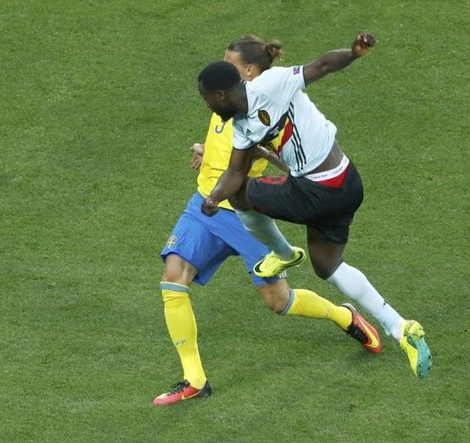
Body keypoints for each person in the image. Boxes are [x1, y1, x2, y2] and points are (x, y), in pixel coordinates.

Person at [153, 35, 382, 407]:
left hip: (244, 215)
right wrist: (205, 149)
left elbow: (277, 161)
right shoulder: (223, 102)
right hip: (205, 206)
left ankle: (342, 316)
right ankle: (195, 379)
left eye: (230, 63)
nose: (224, 68)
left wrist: (269, 159)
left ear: (246, 71)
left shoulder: (261, 107)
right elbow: (225, 144)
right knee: (172, 279)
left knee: (280, 302)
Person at [197, 32, 432, 379]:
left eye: (207, 101)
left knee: (241, 195)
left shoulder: (271, 84)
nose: (208, 108)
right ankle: (401, 328)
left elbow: (321, 65)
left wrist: (353, 53)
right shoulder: (242, 127)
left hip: (318, 189)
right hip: (347, 181)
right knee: (328, 266)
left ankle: (283, 253)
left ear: (220, 94)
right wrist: (213, 197)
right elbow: (234, 171)